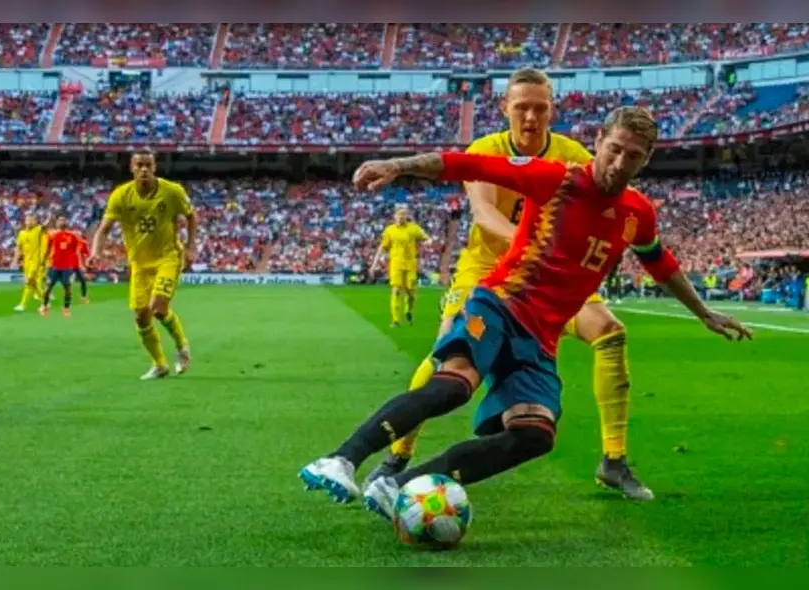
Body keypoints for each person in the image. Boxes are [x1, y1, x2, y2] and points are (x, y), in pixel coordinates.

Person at [298, 106, 752, 518]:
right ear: (598, 141)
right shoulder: (555, 179)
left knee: (536, 434)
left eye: (632, 156)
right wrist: (398, 166)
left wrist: (704, 313)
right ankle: (341, 460)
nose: (619, 163)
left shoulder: (637, 213)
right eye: (614, 149)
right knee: (454, 385)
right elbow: (470, 165)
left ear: (645, 160)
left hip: (539, 339)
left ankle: (398, 486)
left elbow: (660, 263)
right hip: (499, 304)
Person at [368, 68, 653, 500]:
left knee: (610, 332)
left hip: (553, 277)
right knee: (446, 351)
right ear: (505, 108)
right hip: (486, 270)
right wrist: (538, 245)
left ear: (552, 110)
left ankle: (613, 460)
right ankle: (398, 455)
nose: (531, 117)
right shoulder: (486, 149)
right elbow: (485, 215)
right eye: (522, 108)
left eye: (540, 108)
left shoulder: (574, 155)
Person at [87, 151, 197, 380]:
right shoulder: (121, 195)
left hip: (168, 257)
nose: (144, 169)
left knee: (158, 308)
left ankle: (182, 346)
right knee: (141, 316)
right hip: (139, 263)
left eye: (148, 165)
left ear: (155, 167)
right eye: (139, 165)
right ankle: (159, 364)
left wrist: (190, 246)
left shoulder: (172, 191)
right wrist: (95, 253)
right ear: (132, 168)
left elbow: (191, 216)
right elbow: (104, 229)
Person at [369, 205, 431, 327]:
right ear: (394, 216)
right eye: (399, 214)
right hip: (396, 264)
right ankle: (395, 320)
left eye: (404, 214)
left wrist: (428, 241)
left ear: (407, 216)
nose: (401, 216)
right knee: (396, 289)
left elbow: (426, 238)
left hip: (410, 264)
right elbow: (382, 248)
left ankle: (408, 310)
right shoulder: (390, 230)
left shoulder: (414, 228)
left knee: (410, 292)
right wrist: (374, 265)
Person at [39, 216, 80, 318]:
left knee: (67, 288)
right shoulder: (52, 234)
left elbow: (75, 251)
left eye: (64, 220)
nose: (62, 222)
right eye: (60, 220)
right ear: (56, 223)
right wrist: (43, 261)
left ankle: (66, 308)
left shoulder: (73, 235)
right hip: (54, 266)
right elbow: (48, 248)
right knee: (48, 286)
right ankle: (44, 306)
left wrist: (75, 265)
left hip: (67, 267)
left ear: (67, 222)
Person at [11, 214, 50, 312]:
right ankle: (45, 301)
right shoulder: (21, 233)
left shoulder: (37, 230)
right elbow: (18, 248)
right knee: (32, 283)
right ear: (25, 221)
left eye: (32, 220)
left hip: (36, 261)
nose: (29, 221)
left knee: (29, 281)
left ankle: (23, 304)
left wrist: (49, 217)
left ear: (35, 222)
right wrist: (15, 260)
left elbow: (45, 225)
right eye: (28, 219)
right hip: (26, 262)